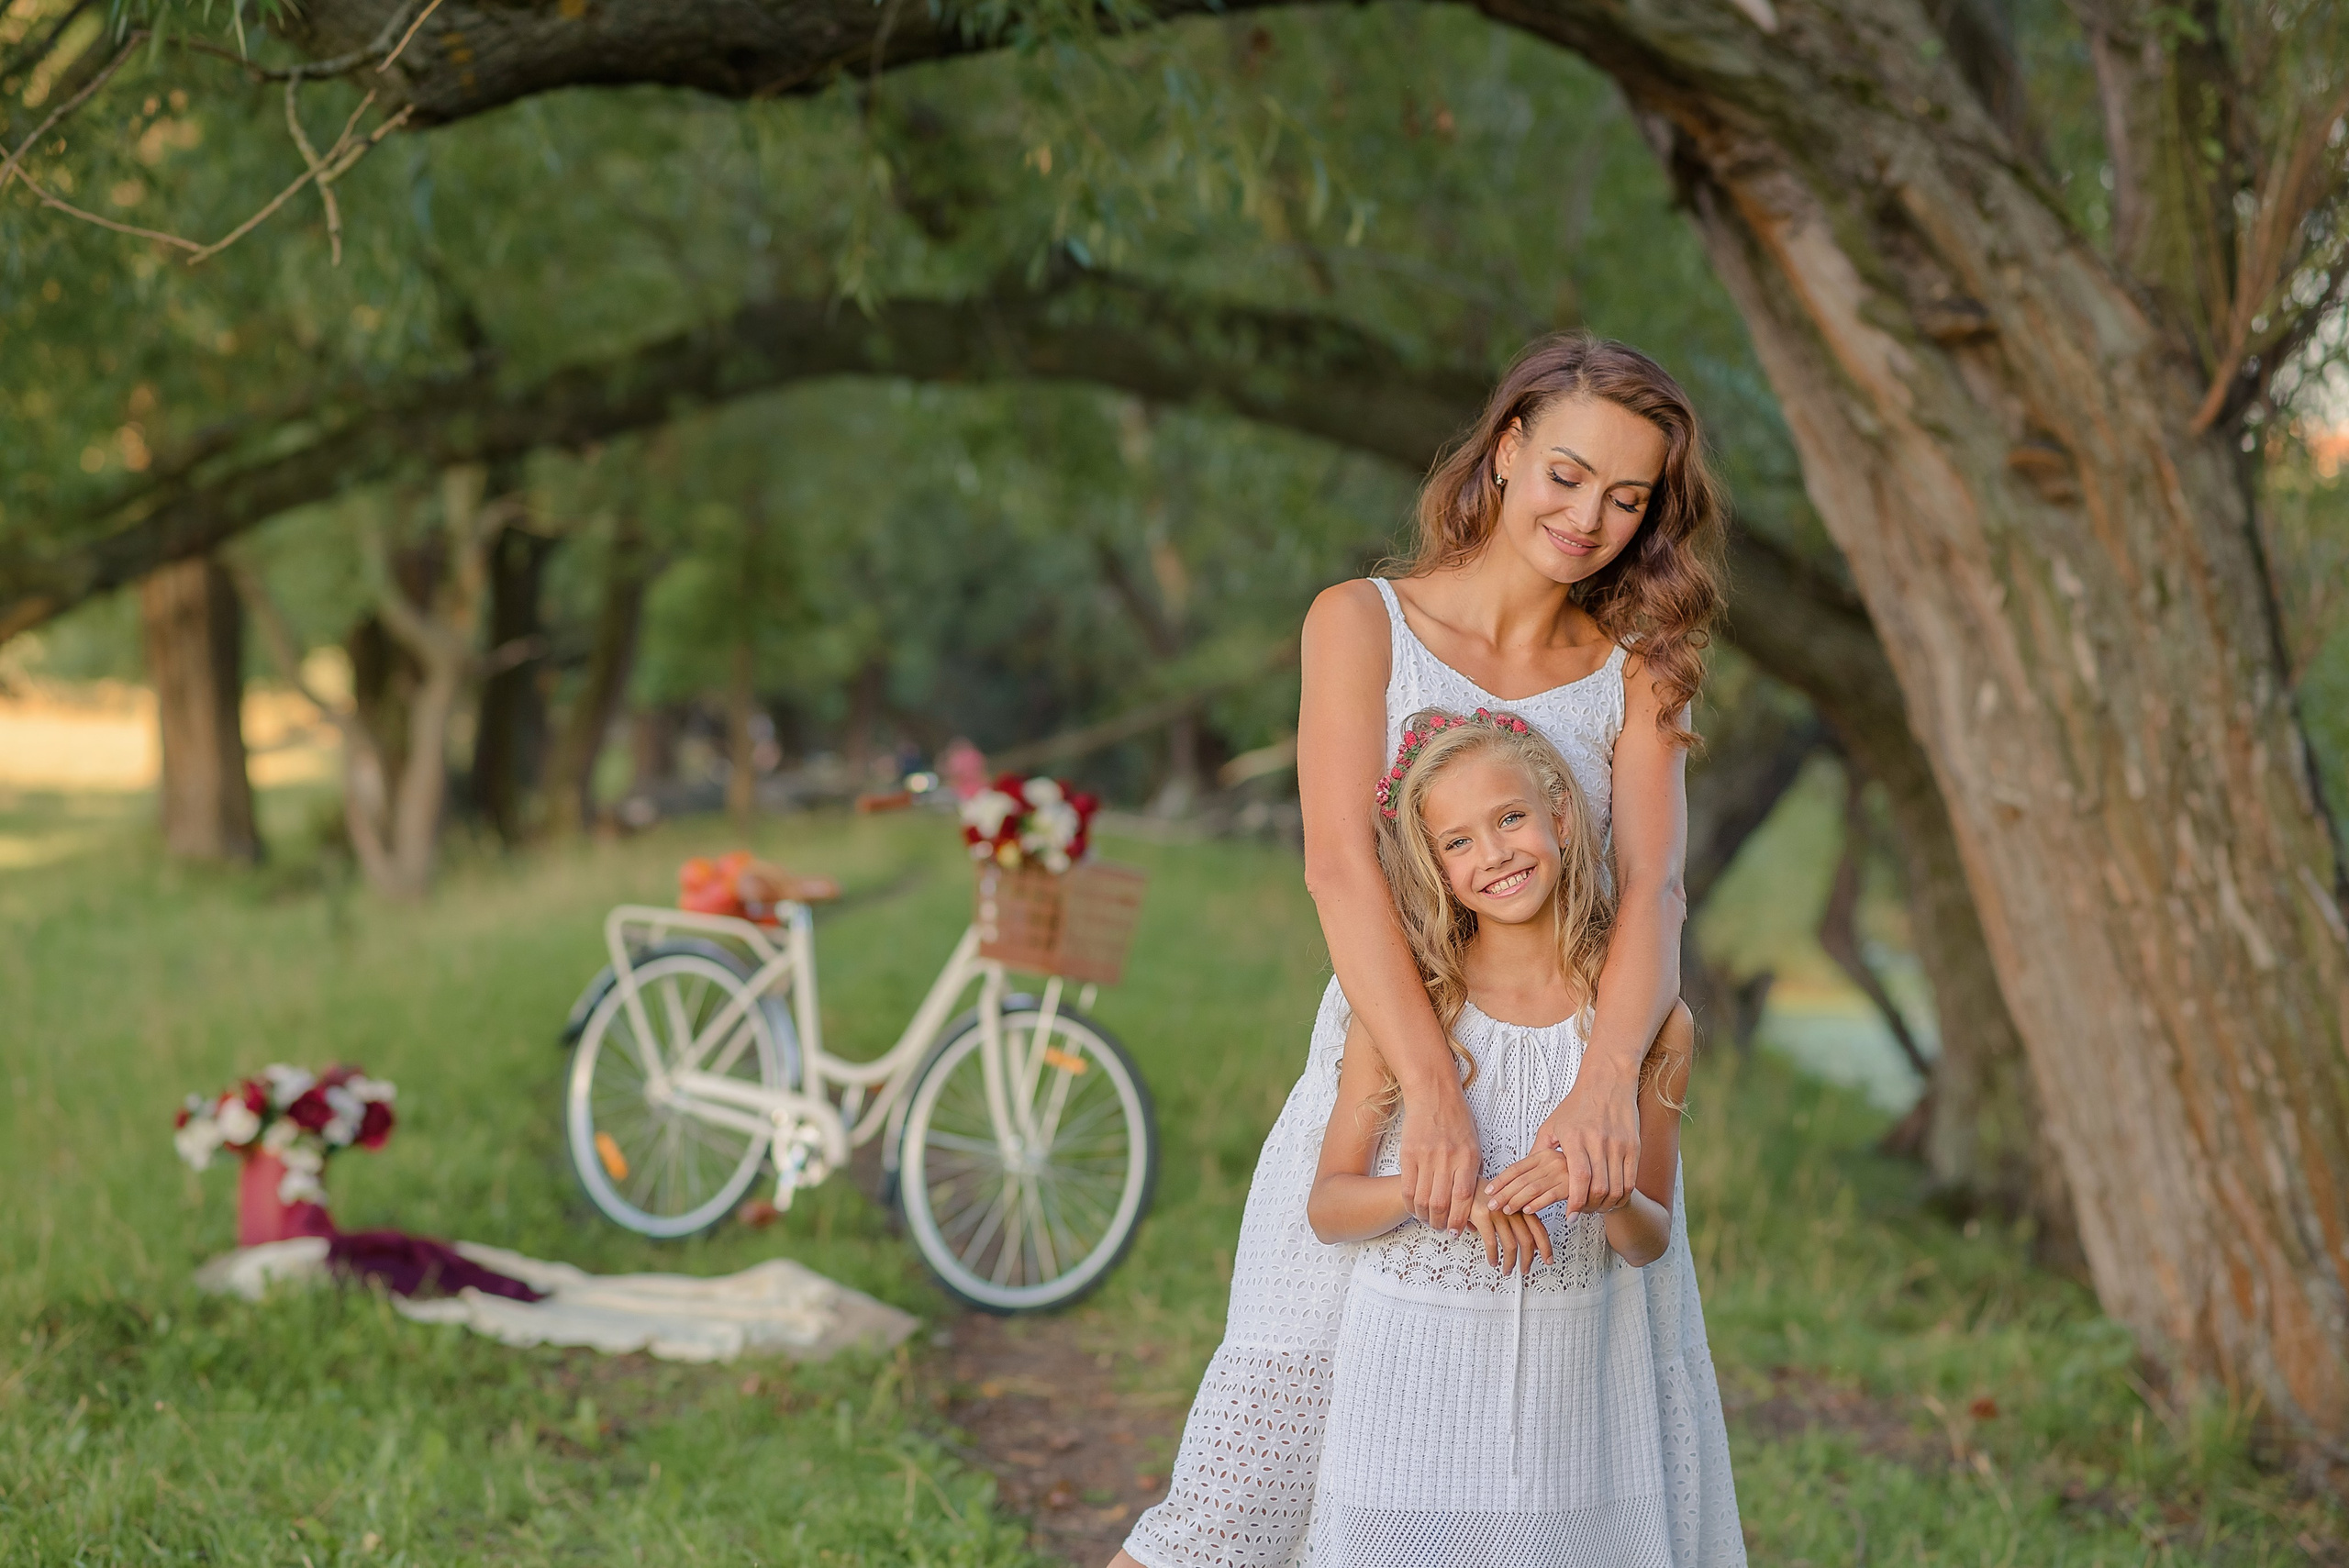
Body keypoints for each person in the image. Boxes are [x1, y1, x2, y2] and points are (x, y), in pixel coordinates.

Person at [1116, 333, 1728, 1568]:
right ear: (1505, 450)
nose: (1589, 518)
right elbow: (1340, 867)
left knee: (1524, 1497)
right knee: (1242, 1484)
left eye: (1627, 498)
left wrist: (1606, 1086)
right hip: (1389, 1075)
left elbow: (1654, 888)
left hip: (1569, 1113)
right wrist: (1434, 1094)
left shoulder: (1641, 673)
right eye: (1566, 475)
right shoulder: (1362, 623)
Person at [1304, 706, 1739, 1565]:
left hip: (1572, 1398)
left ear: (1561, 816)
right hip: (1411, 1388)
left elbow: (1650, 1236)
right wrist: (1444, 1198)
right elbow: (1328, 1205)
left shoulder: (1650, 1025)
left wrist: (1609, 1194)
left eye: (1508, 818)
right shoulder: (1412, 1015)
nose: (1494, 854)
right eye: (1458, 842)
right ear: (1436, 869)